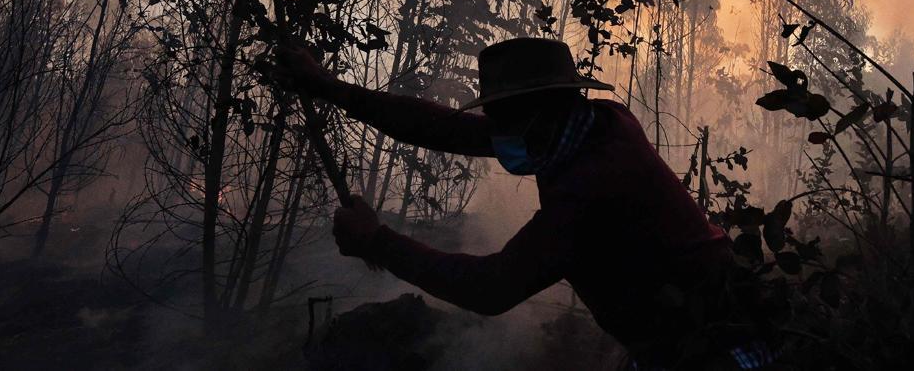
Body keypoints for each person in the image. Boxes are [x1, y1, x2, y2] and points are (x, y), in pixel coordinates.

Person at [281, 37, 748, 369]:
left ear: (546, 108)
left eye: (504, 117)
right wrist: (330, 88)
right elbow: (445, 128)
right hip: (682, 330)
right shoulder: (589, 124)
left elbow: (492, 288)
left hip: (710, 347)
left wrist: (378, 243)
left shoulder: (591, 187)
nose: (494, 129)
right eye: (494, 116)